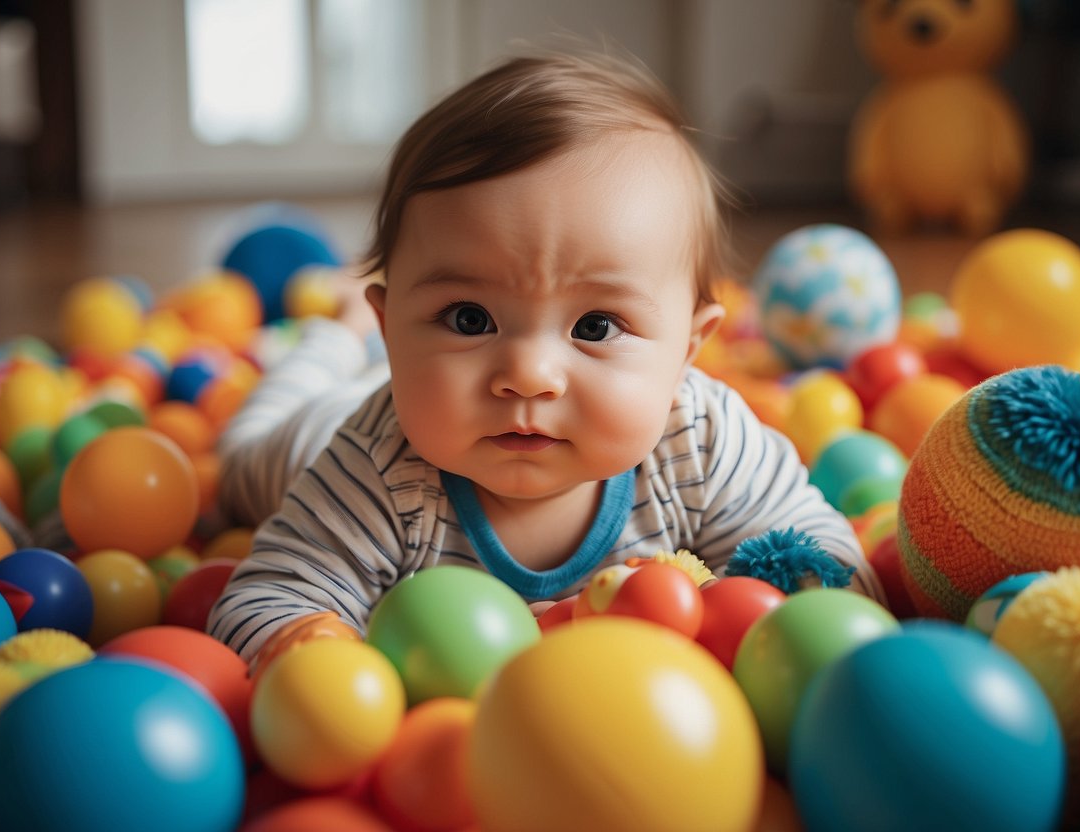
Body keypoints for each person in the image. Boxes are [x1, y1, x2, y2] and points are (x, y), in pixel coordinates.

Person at [208, 46, 883, 665]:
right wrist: (317, 654)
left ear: (687, 350)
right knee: (242, 453)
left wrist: (801, 617)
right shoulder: (374, 472)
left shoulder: (701, 443)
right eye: (468, 319)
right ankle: (335, 333)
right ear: (393, 330)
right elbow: (259, 603)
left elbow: (822, 560)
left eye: (594, 326)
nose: (527, 374)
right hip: (312, 430)